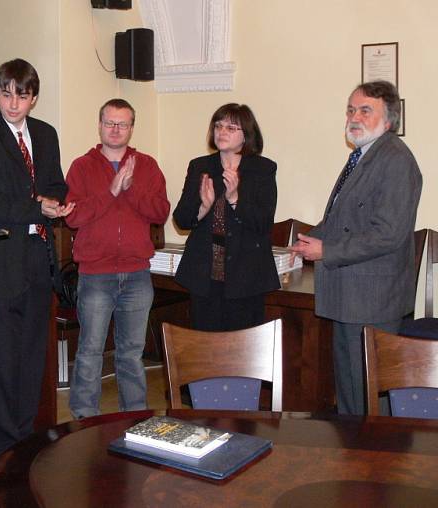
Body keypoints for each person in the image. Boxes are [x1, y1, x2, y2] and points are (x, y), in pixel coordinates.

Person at [290, 81, 422, 416]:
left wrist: (328, 251)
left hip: (372, 300)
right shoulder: (363, 155)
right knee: (350, 395)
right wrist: (307, 242)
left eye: (365, 110)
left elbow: (388, 234)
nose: (354, 117)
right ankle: (354, 459)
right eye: (351, 109)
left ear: (389, 119)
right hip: (350, 296)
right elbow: (340, 219)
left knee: (368, 399)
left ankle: (376, 465)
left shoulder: (395, 160)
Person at [0, 59, 73, 457]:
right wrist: (36, 207)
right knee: (2, 366)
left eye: (21, 95)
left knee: (31, 365)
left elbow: (56, 182)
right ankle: (5, 454)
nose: (13, 103)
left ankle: (25, 446)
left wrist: (56, 202)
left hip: (38, 264)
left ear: (33, 98)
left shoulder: (45, 134)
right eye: (6, 94)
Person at [64, 98, 170, 419]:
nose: (115, 129)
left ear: (131, 128)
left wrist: (131, 188)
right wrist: (111, 190)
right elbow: (73, 217)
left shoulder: (147, 166)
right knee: (90, 352)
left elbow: (161, 212)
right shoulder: (82, 166)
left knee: (131, 354)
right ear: (99, 125)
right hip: (95, 275)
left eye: (122, 124)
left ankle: (135, 417)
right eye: (110, 123)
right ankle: (85, 418)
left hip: (137, 275)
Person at [173, 103, 279, 331]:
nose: (222, 132)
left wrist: (234, 199)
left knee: (242, 351)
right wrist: (204, 206)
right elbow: (181, 219)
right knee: (206, 349)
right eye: (218, 126)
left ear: (246, 135)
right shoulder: (200, 166)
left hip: (246, 275)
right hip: (204, 274)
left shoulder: (263, 169)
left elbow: (263, 223)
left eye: (231, 127)